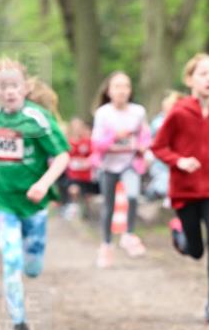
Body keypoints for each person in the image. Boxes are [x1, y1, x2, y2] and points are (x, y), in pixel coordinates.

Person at [0, 58, 69, 330]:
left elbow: (63, 156)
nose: (9, 91)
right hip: (2, 200)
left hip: (35, 204)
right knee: (10, 260)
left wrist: (43, 183)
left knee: (32, 267)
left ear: (25, 88)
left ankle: (33, 261)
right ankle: (19, 324)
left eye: (14, 85)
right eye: (2, 87)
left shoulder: (38, 118)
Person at [151, 53, 209, 323]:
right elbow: (158, 147)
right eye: (203, 74)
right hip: (184, 191)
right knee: (197, 250)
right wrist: (179, 161)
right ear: (190, 79)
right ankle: (181, 236)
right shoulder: (178, 112)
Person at [91, 71, 150, 265]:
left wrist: (142, 147)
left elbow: (145, 136)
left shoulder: (138, 111)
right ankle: (106, 246)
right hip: (107, 165)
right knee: (109, 205)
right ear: (109, 91)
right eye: (117, 86)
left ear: (130, 90)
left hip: (129, 163)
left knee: (133, 196)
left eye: (126, 86)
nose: (122, 90)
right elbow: (97, 143)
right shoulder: (103, 113)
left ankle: (128, 235)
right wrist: (116, 136)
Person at [144, 91, 180, 204]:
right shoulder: (158, 123)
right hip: (160, 162)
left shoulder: (181, 120)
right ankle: (151, 191)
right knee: (163, 185)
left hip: (176, 161)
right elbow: (152, 142)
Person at [64, 116, 98, 220]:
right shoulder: (67, 142)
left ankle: (87, 212)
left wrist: (88, 162)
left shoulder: (87, 141)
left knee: (87, 194)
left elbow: (93, 154)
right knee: (74, 189)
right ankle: (73, 207)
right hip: (73, 173)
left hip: (86, 173)